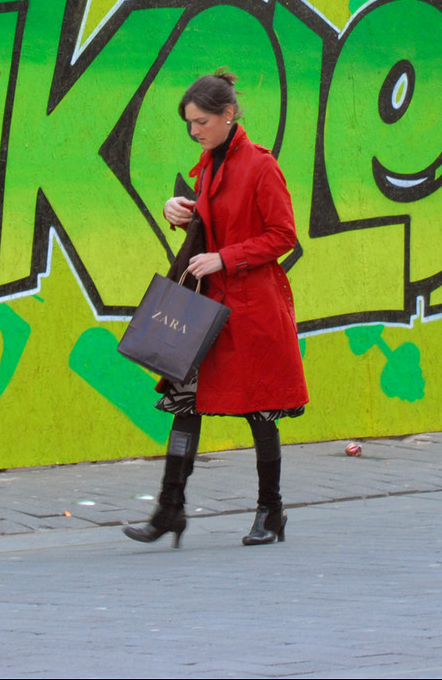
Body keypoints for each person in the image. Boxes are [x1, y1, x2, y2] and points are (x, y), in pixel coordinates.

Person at [123, 70, 308, 548]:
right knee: (184, 404)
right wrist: (180, 209)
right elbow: (213, 221)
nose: (195, 131)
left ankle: (272, 512)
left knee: (260, 411)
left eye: (202, 121)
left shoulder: (261, 165)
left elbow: (284, 235)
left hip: (251, 310)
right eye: (189, 122)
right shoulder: (209, 164)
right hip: (207, 308)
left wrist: (226, 257)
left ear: (229, 116)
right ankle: (169, 510)